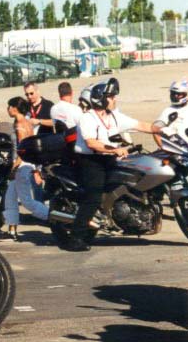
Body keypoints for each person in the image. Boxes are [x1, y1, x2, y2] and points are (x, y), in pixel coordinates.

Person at [67, 77, 163, 252]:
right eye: (111, 97)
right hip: (91, 162)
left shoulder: (114, 116)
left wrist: (165, 129)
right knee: (93, 197)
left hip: (109, 159)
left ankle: (122, 215)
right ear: (101, 99)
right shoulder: (87, 118)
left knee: (128, 181)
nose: (114, 99)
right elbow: (91, 143)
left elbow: (141, 125)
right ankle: (76, 237)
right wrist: (114, 150)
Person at [2, 95, 49, 238]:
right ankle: (12, 231)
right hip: (26, 164)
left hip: (22, 165)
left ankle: (52, 217)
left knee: (26, 201)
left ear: (15, 108)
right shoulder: (27, 122)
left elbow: (22, 150)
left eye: (9, 106)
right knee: (10, 198)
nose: (8, 109)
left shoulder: (20, 125)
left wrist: (14, 168)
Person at [155, 78, 188, 142]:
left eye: (179, 94)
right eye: (173, 93)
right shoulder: (169, 111)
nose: (175, 96)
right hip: (178, 146)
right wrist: (163, 146)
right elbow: (155, 128)